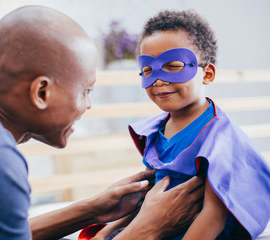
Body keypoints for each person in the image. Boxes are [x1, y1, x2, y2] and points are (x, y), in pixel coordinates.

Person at [0, 5, 206, 240]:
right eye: (85, 91)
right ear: (42, 92)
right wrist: (148, 229)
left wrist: (92, 210)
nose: (88, 105)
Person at [91, 10, 270, 240]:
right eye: (148, 70)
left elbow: (213, 215)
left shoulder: (218, 139)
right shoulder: (155, 132)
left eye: (173, 66)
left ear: (207, 74)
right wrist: (105, 234)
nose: (159, 80)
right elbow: (148, 199)